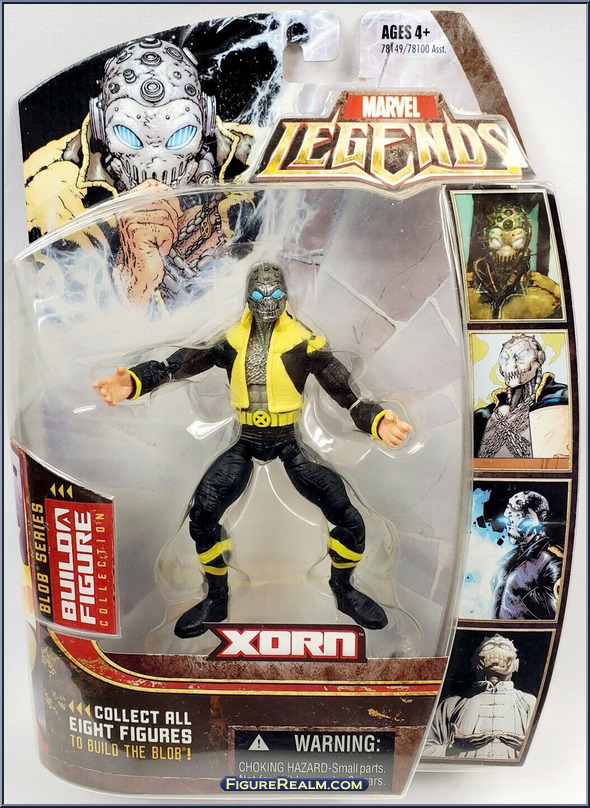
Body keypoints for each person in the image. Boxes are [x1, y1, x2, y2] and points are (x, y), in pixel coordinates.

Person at [93, 260, 412, 637]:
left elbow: (346, 394)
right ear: (248, 297)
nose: (267, 302)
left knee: (350, 519)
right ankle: (216, 597)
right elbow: (175, 365)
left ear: (286, 297)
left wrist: (378, 420)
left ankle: (344, 591)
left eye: (275, 294)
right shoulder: (230, 340)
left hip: (288, 441)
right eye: (259, 294)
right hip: (245, 440)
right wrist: (134, 382)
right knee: (203, 515)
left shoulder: (305, 342)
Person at [423, 634, 536, 759]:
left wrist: (530, 746)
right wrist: (452, 748)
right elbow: (423, 750)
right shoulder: (450, 704)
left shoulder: (529, 702)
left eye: (504, 647)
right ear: (476, 662)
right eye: (489, 647)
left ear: (516, 664)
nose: (496, 649)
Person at [491, 490, 562, 620]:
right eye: (508, 518)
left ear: (541, 520)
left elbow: (559, 617)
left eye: (520, 517)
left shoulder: (551, 563)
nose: (509, 525)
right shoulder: (507, 560)